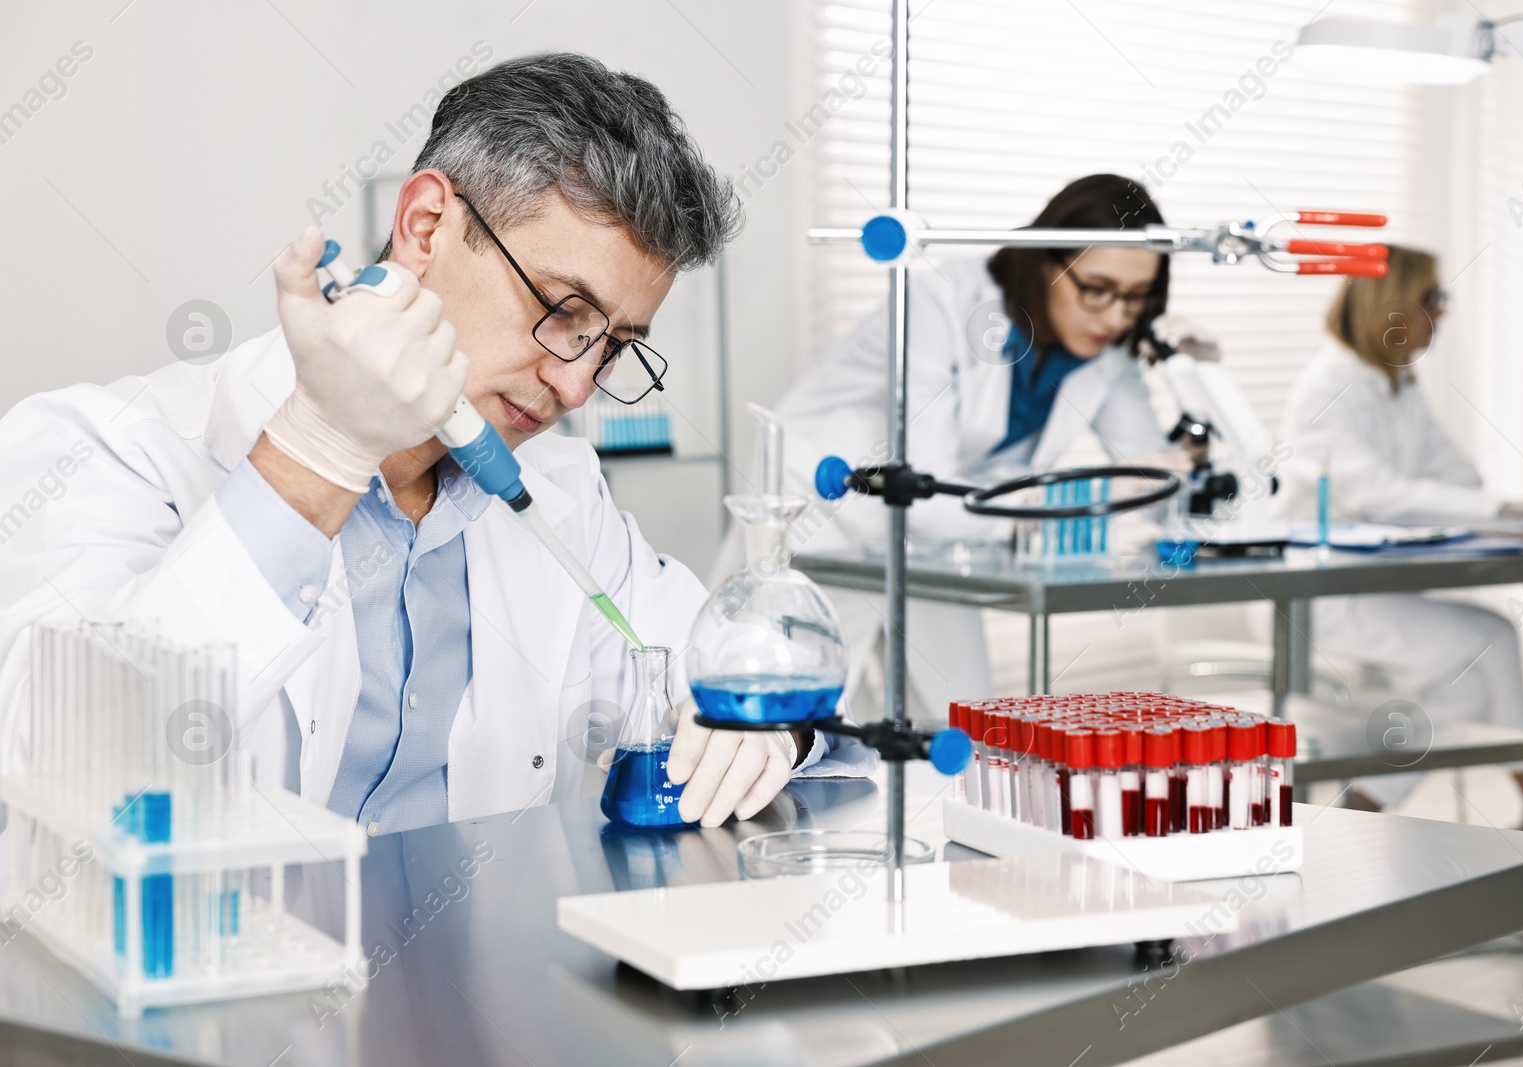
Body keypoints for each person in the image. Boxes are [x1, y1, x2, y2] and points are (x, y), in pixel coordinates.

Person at [0, 54, 869, 836]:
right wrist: (317, 452)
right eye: (564, 310)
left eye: (615, 346)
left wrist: (775, 729)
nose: (575, 386)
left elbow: (739, 672)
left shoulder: (562, 496)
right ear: (423, 226)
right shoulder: (109, 449)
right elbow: (59, 761)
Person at [773, 174, 1217, 716]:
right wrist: (1067, 499)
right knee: (796, 722)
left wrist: (1196, 381)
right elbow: (927, 497)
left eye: (1136, 298)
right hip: (828, 510)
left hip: (938, 540)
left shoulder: (1108, 347)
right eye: (1098, 289)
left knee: (964, 723)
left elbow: (1159, 484)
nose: (1116, 316)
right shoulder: (942, 299)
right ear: (1048, 264)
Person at [1273, 245, 1523, 827]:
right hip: (1319, 597)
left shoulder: (1395, 382)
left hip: (1372, 584)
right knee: (1477, 656)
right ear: (1392, 304)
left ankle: (1367, 812)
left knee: (1479, 664)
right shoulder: (1329, 387)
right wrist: (1502, 509)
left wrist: (1497, 508)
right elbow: (1376, 492)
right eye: (1434, 299)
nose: (1442, 313)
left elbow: (1455, 478)